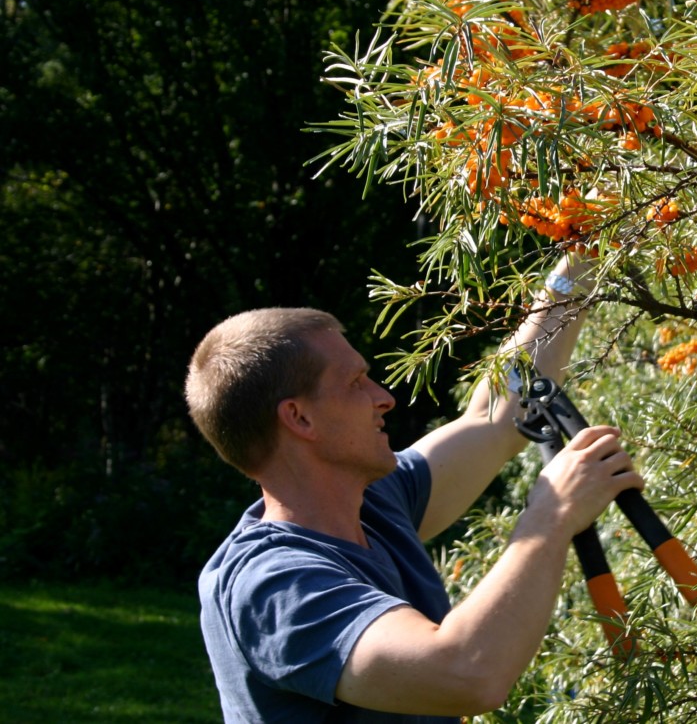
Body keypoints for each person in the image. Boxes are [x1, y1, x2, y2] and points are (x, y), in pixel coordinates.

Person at [185, 255, 641, 723]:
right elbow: (465, 673)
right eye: (355, 383)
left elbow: (501, 414)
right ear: (299, 418)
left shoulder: (376, 502)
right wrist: (551, 515)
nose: (384, 396)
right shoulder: (271, 586)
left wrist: (578, 262)